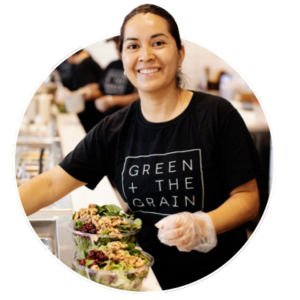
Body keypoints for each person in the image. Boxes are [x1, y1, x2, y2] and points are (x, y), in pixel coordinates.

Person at [18, 4, 266, 291]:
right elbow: (51, 184)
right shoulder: (113, 129)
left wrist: (204, 224)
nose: (146, 55)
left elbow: (248, 198)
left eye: (159, 42)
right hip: (147, 278)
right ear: (123, 57)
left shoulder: (216, 114)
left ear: (180, 53)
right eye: (133, 46)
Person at [60, 49, 104, 133]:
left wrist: (71, 96)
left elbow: (94, 87)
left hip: (92, 115)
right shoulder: (88, 61)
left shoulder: (84, 65)